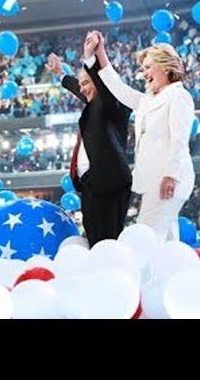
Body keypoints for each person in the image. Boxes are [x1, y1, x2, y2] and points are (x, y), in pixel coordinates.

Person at [88, 33, 195, 242]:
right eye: (142, 68)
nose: (143, 73)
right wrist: (100, 53)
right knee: (166, 243)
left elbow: (179, 139)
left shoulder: (178, 95)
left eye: (148, 67)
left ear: (165, 67)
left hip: (168, 179)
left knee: (144, 237)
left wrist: (171, 175)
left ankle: (141, 275)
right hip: (153, 180)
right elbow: (119, 89)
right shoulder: (148, 100)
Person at [46, 32, 132, 245]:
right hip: (91, 185)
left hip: (110, 185)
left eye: (87, 82)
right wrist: (60, 74)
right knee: (94, 242)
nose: (83, 88)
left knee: (108, 244)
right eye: (82, 84)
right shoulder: (93, 105)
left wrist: (90, 57)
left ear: (99, 82)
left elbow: (105, 87)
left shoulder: (113, 105)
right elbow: (81, 90)